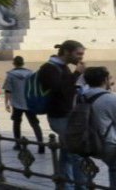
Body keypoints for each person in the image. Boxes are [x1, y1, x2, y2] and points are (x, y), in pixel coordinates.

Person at [40, 40, 88, 189]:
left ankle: (64, 185)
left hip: (67, 114)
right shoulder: (49, 68)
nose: (80, 57)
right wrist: (77, 74)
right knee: (76, 153)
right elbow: (60, 90)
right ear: (66, 52)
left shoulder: (63, 67)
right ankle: (80, 187)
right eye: (78, 54)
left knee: (67, 153)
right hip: (59, 116)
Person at [82, 66, 116, 187]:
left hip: (91, 143)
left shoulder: (81, 96)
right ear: (105, 79)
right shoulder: (110, 98)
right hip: (109, 143)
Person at [4, 56, 45, 153]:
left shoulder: (11, 75)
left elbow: (8, 90)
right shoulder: (30, 73)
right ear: (23, 63)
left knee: (16, 123)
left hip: (17, 102)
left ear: (14, 63)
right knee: (35, 123)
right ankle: (41, 144)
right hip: (29, 102)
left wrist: (7, 103)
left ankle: (18, 143)